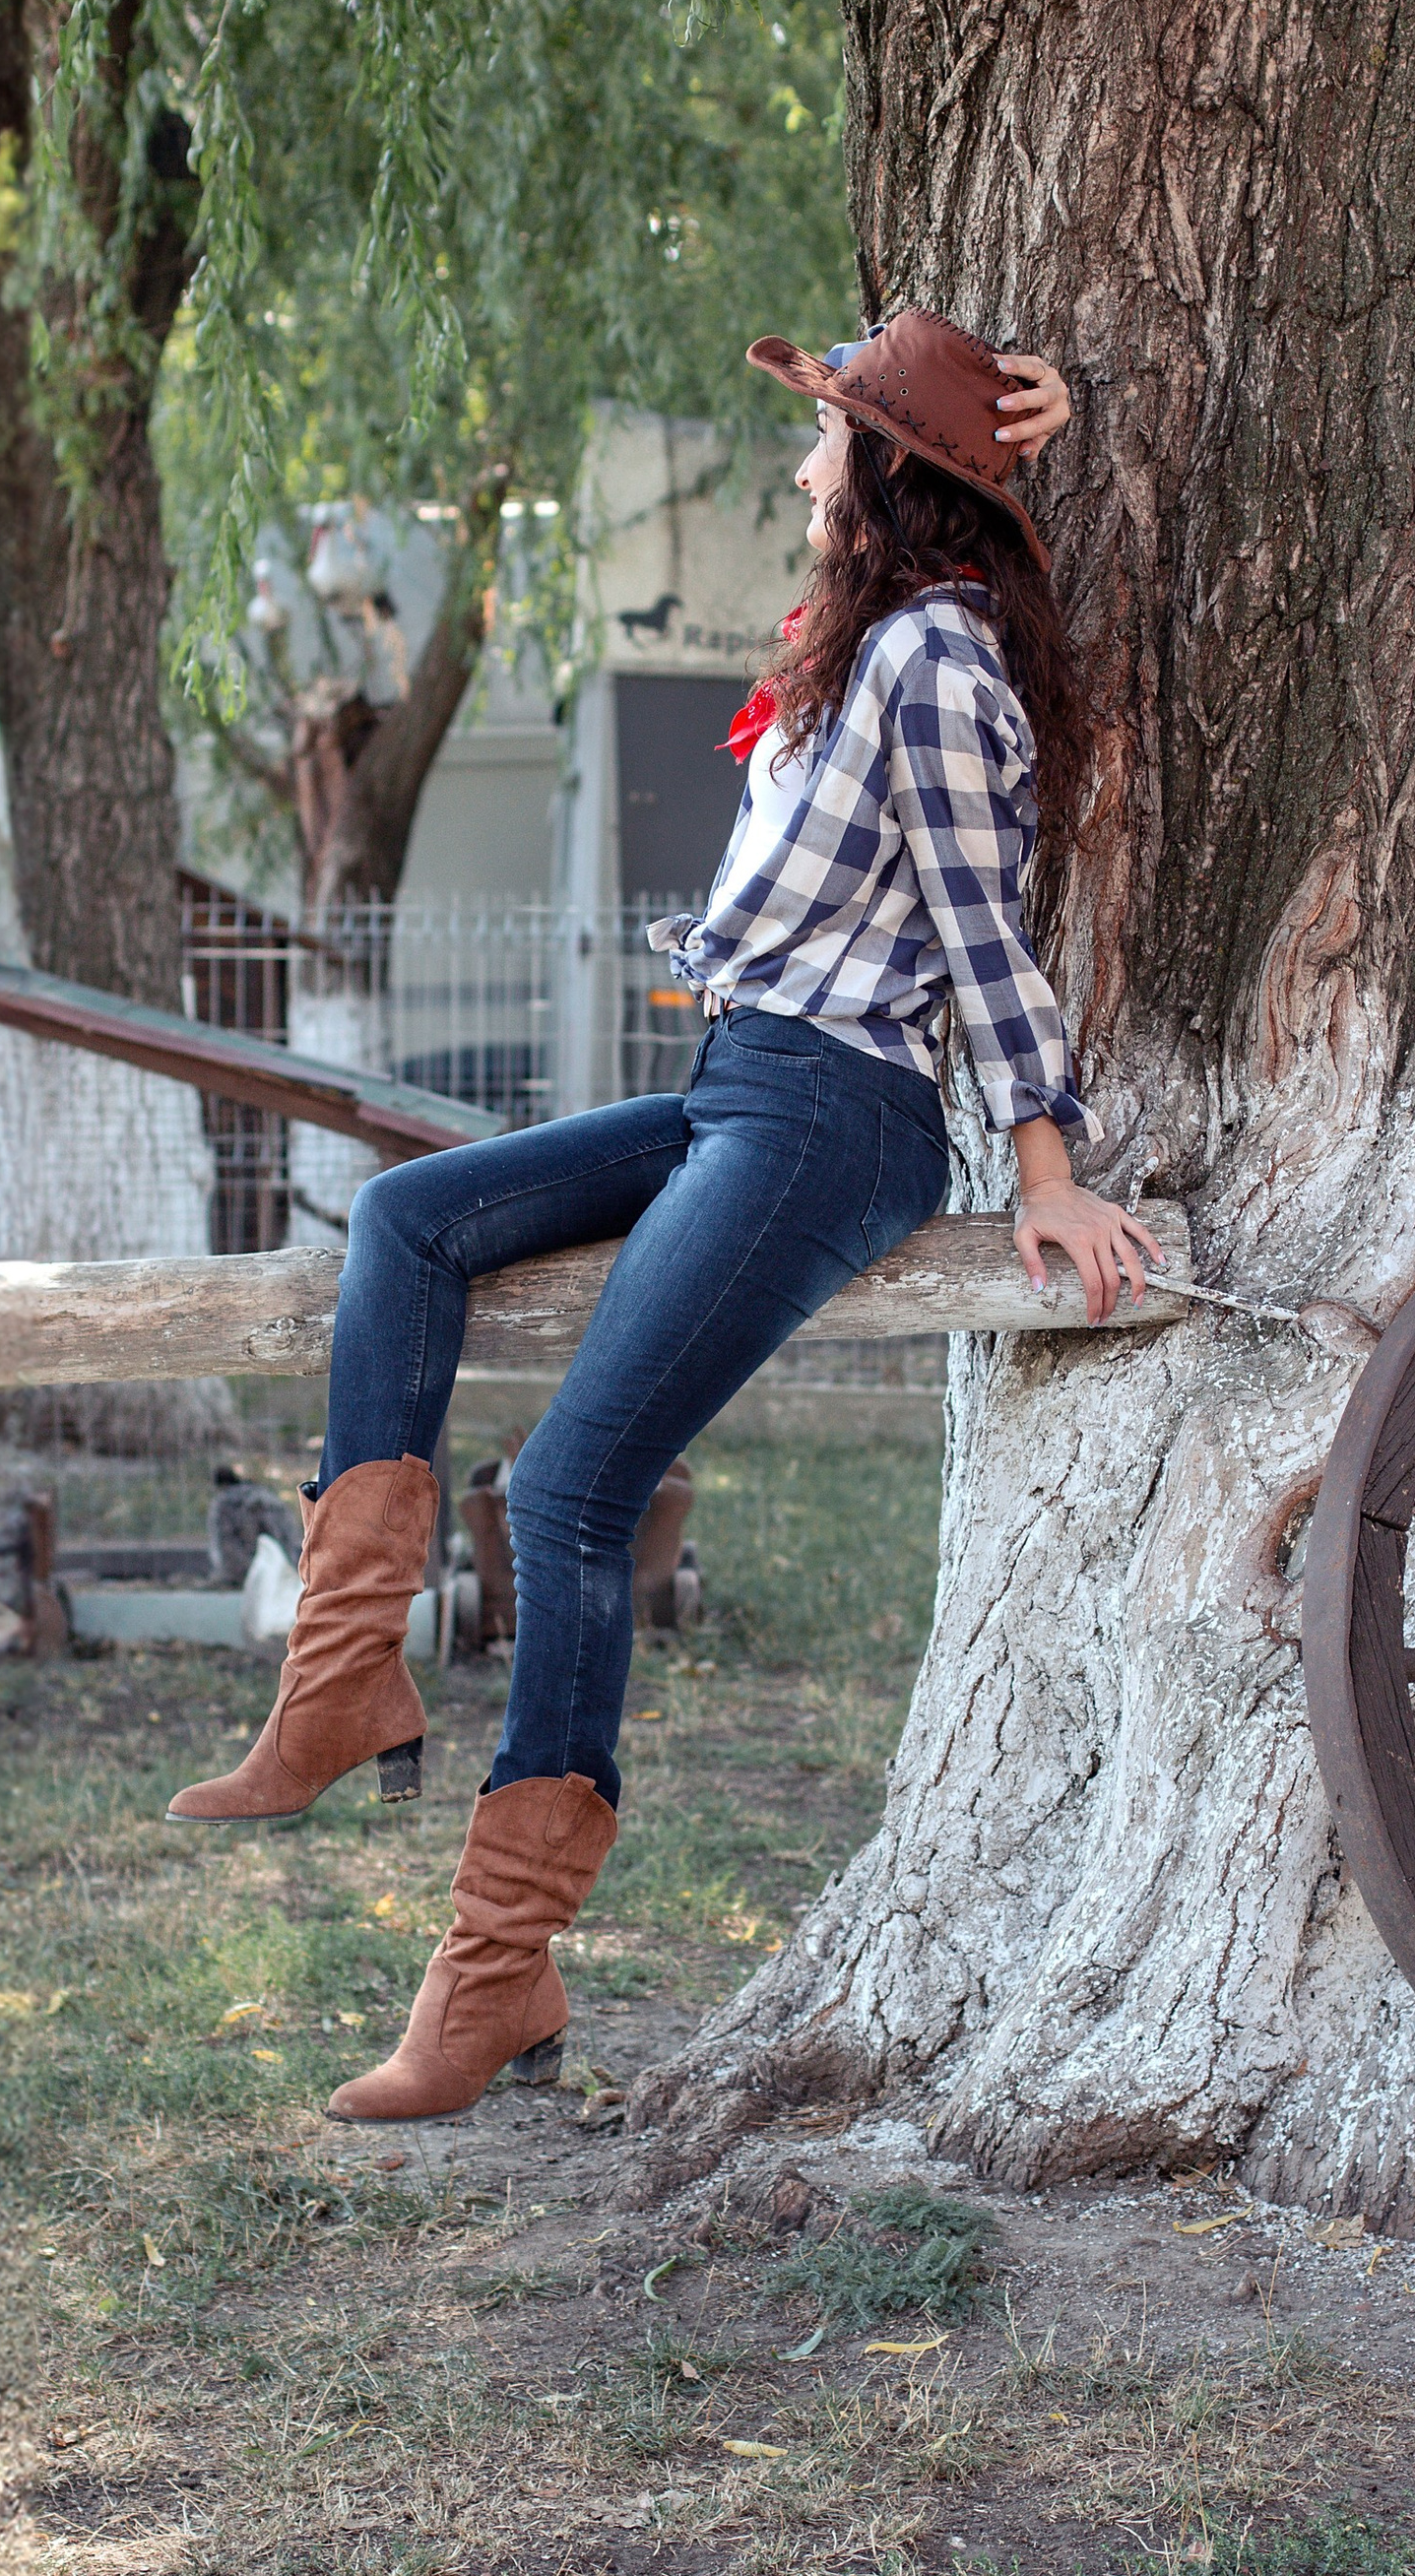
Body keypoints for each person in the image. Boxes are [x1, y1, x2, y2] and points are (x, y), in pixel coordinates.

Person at [163, 308, 1163, 2121]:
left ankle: (494, 1979)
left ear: (890, 479)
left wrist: (1045, 1167)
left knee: (563, 1494)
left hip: (835, 1116)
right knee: (408, 1225)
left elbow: (986, 930)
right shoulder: (874, 646)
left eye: (829, 439)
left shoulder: (936, 657)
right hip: (744, 1088)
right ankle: (341, 1684)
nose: (799, 464)